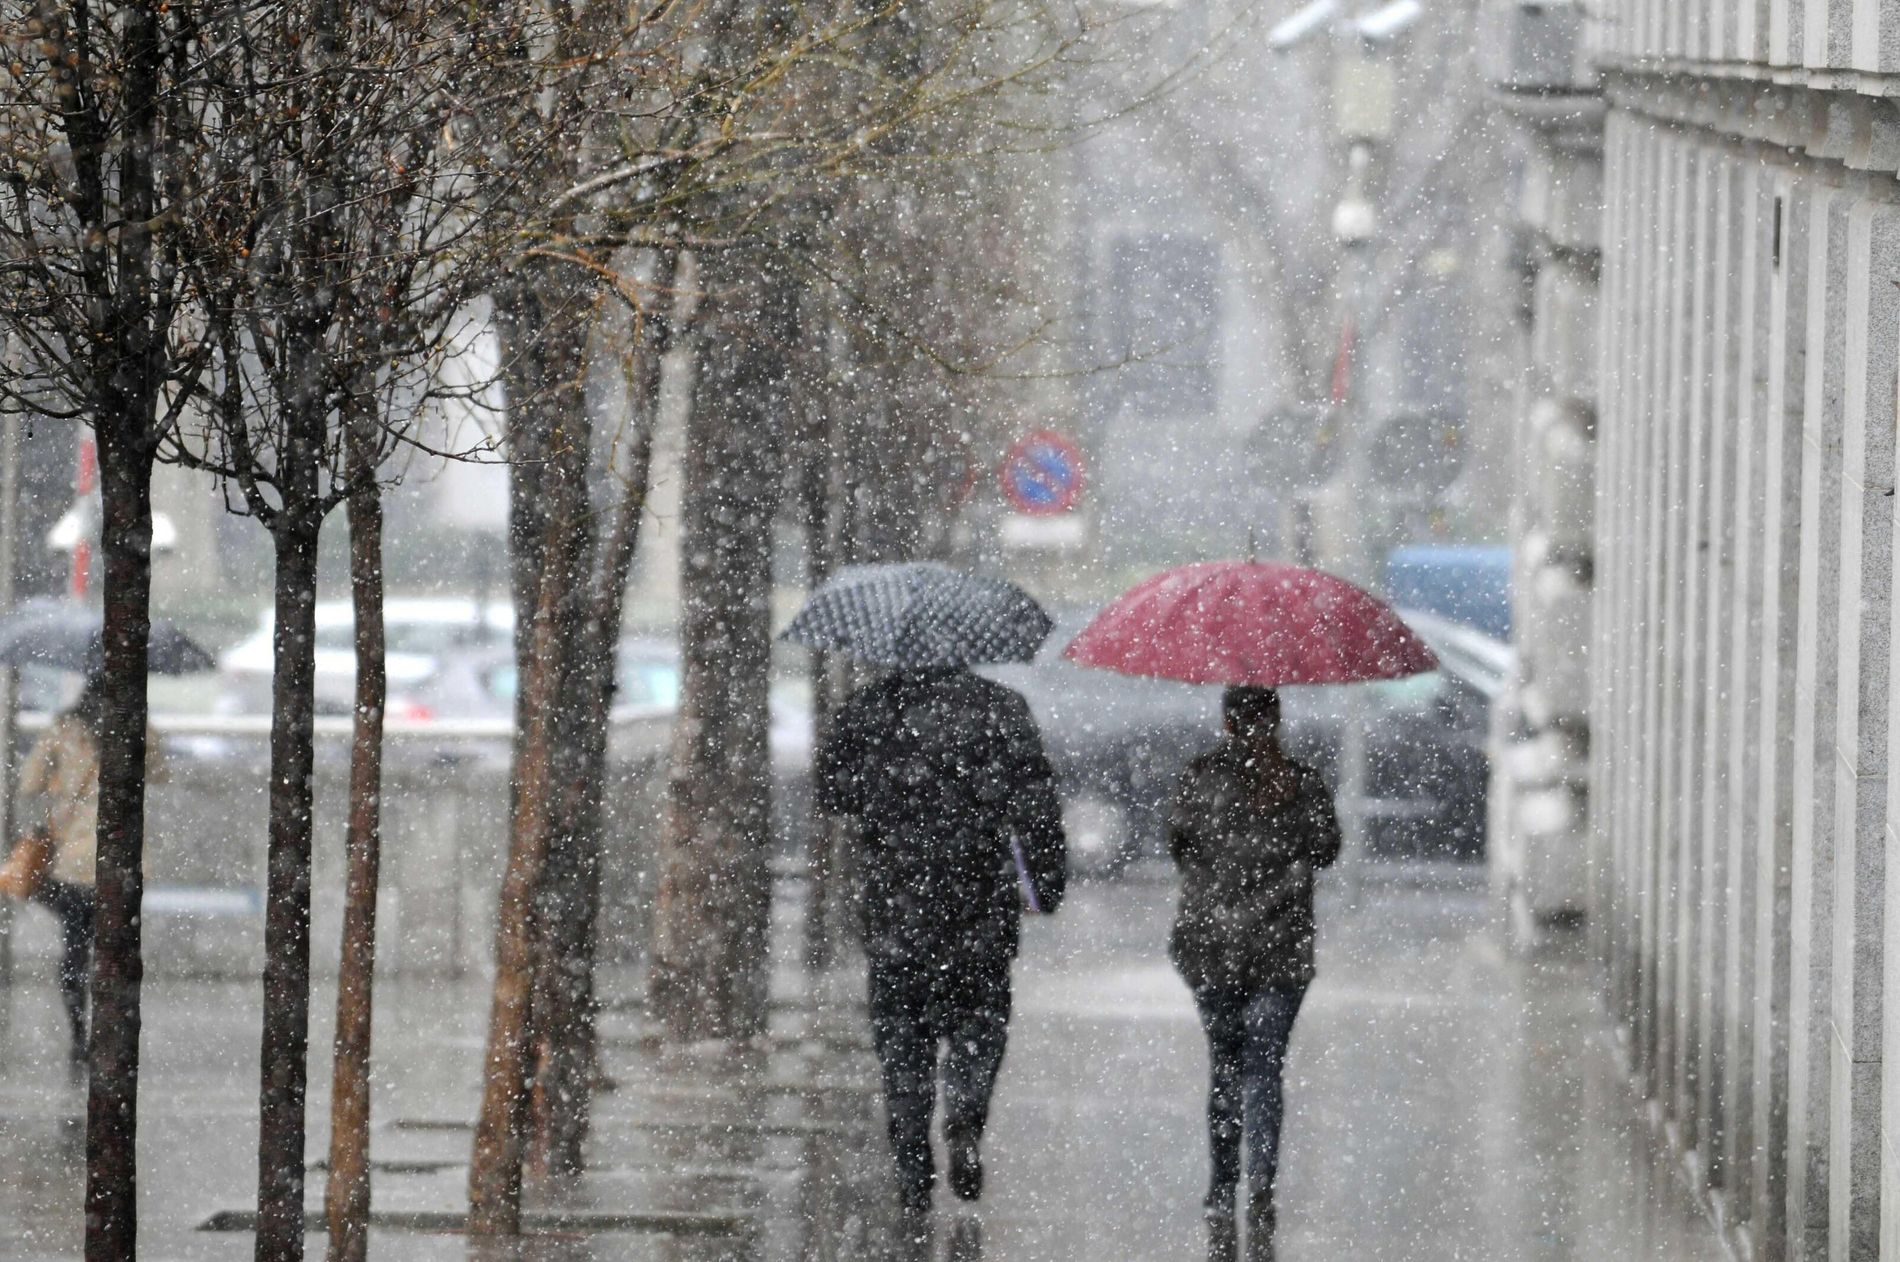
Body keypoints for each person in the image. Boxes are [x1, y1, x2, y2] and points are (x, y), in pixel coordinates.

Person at [817, 663, 1066, 1217]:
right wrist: (1046, 885)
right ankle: (966, 1118)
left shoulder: (869, 710)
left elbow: (833, 794)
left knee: (902, 1042)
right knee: (979, 1023)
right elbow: (1036, 808)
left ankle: (912, 1169)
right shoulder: (1002, 709)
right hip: (978, 907)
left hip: (897, 911)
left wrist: (886, 794)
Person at [1169, 685, 1341, 1262]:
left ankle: (1221, 1187)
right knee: (1264, 1067)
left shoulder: (1198, 779)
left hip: (1212, 946)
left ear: (1225, 723)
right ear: (1277, 720)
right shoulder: (1303, 782)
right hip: (1281, 951)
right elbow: (1326, 849)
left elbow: (1178, 846)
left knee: (1226, 1064)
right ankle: (1261, 1184)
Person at [5, 674, 112, 1077]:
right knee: (114, 950)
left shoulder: (64, 731)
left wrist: (57, 773)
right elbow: (158, 770)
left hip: (72, 863)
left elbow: (29, 783)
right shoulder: (133, 727)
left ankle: (78, 1031)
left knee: (75, 949)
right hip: (116, 865)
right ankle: (109, 1031)